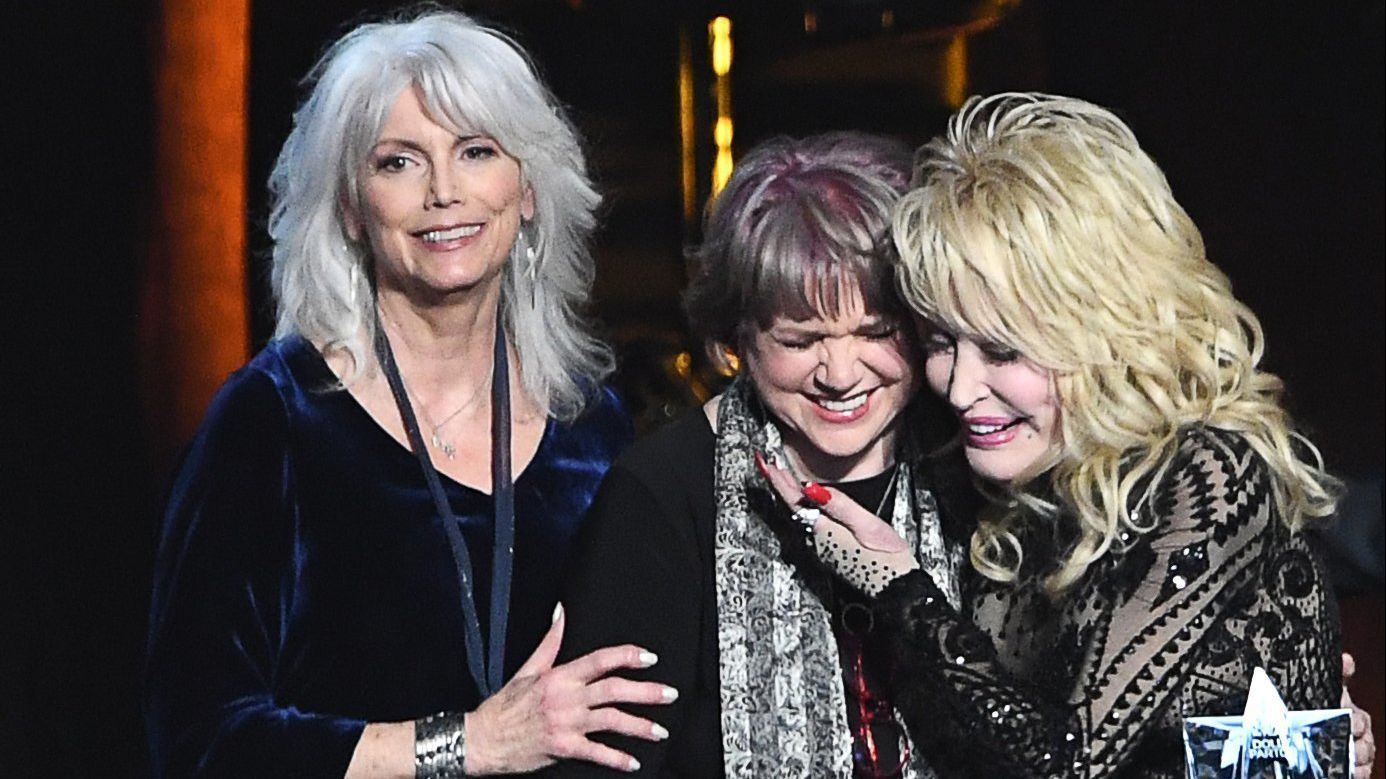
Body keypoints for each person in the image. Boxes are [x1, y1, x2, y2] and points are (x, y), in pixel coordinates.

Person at [771, 92, 1368, 778]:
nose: (960, 388)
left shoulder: (1207, 474)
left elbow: (1067, 761)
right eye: (941, 342)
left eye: (1002, 351)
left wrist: (900, 589)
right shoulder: (1004, 478)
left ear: (1104, 333)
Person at [144, 11, 673, 777]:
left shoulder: (590, 424)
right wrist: (469, 743)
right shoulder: (275, 418)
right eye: (399, 162)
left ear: (527, 189)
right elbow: (199, 740)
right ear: (352, 208)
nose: (444, 192)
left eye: (477, 151)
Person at [547, 133, 972, 777]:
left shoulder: (966, 463)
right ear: (737, 337)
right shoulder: (662, 494)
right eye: (800, 341)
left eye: (877, 333)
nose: (840, 374)